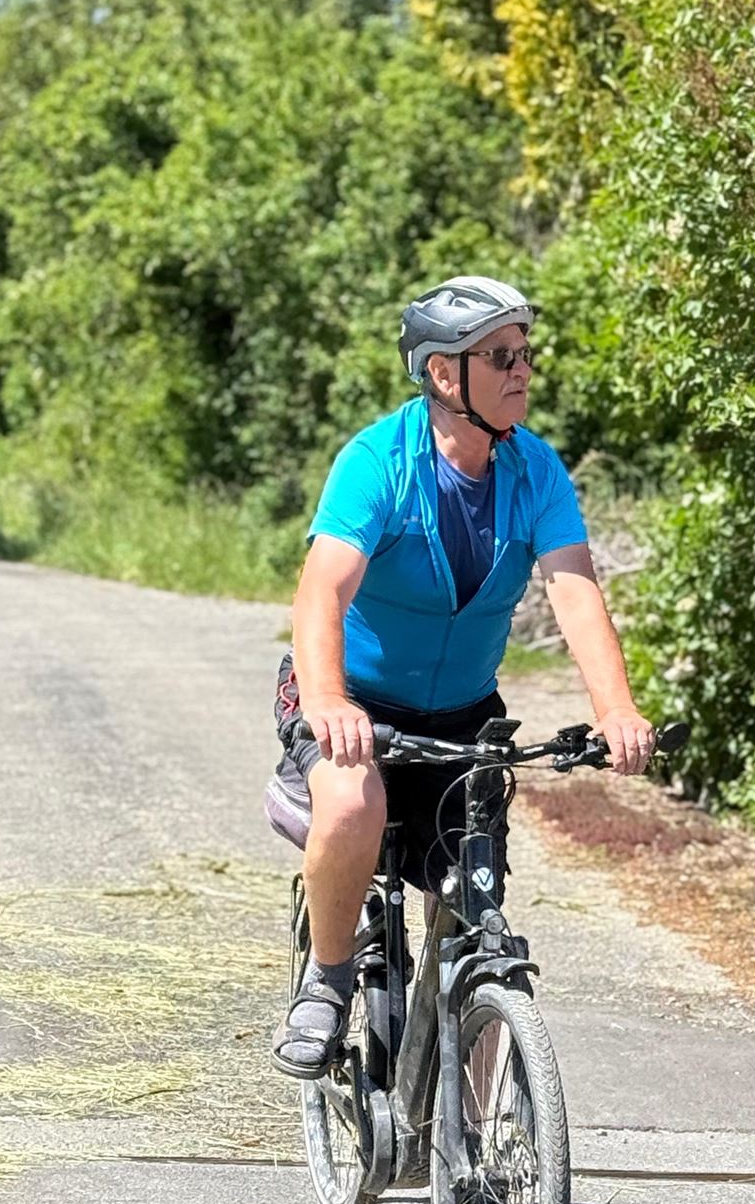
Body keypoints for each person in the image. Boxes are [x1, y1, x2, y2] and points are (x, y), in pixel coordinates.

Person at [269, 276, 655, 1077]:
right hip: (353, 698)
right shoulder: (379, 461)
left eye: (526, 353)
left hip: (463, 713)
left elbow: (575, 592)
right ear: (445, 374)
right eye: (501, 356)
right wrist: (329, 699)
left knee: (472, 913)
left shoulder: (535, 469)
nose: (523, 369)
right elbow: (321, 592)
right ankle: (328, 978)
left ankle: (482, 1139)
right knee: (354, 800)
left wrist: (616, 708)